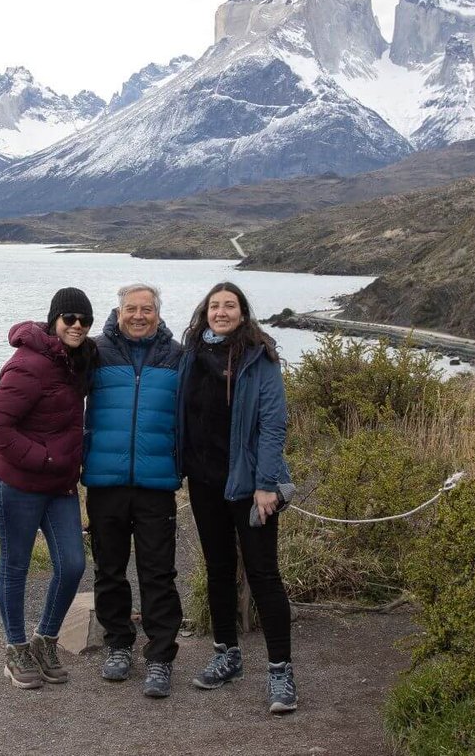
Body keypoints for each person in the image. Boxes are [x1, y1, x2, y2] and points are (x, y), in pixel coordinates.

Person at [178, 281, 298, 714]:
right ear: (205, 312)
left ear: (243, 313)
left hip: (250, 486)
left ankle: (281, 672)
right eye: (215, 305)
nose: (222, 312)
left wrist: (267, 483)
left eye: (230, 305)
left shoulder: (259, 358)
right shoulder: (190, 355)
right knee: (217, 569)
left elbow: (273, 425)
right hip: (203, 481)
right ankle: (226, 654)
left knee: (264, 575)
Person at [0, 286, 97, 689]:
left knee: (73, 564)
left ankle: (45, 639)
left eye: (86, 320)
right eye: (70, 319)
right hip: (17, 482)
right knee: (15, 565)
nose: (78, 326)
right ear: (54, 320)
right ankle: (16, 649)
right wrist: (44, 460)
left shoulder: (76, 360)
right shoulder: (29, 363)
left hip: (59, 485)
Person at [82, 283, 185, 698]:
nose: (138, 316)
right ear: (118, 311)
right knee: (109, 570)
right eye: (131, 309)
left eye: (146, 309)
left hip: (156, 483)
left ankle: (160, 657)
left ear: (158, 314)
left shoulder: (178, 357)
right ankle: (119, 644)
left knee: (158, 573)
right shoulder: (95, 352)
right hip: (105, 481)